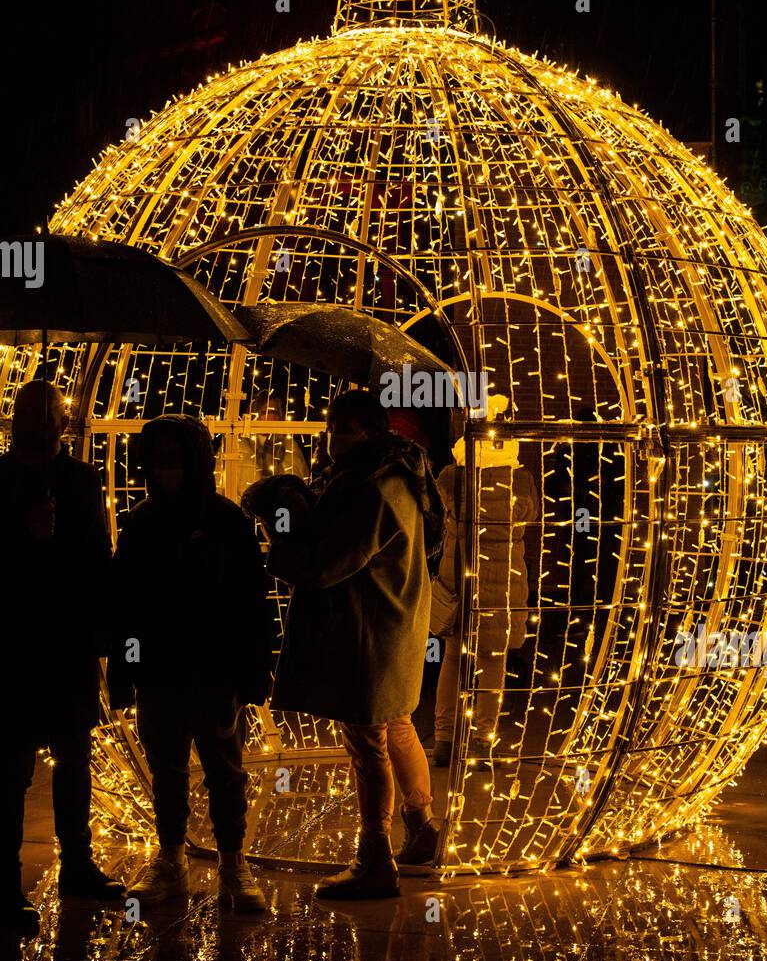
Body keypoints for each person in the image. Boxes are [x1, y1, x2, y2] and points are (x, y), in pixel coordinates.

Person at [261, 388, 444, 899]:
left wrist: (281, 531)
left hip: (369, 635)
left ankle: (375, 858)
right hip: (396, 626)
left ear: (370, 431)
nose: (331, 439)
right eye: (329, 427)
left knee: (368, 744)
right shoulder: (399, 476)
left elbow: (325, 566)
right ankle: (422, 828)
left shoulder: (367, 488)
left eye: (343, 429)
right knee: (397, 725)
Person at [107, 415, 275, 912]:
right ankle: (172, 858)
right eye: (156, 459)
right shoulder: (142, 524)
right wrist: (126, 669)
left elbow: (252, 600)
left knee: (225, 771)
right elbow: (125, 603)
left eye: (173, 457)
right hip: (160, 671)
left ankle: (232, 863)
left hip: (215, 672)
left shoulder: (226, 523)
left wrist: (250, 674)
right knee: (169, 769)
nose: (164, 468)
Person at [0, 381, 123, 933]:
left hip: (67, 641)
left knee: (74, 760)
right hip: (15, 643)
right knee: (11, 767)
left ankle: (78, 865)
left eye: (50, 414)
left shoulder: (79, 479)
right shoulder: (1, 478)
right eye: (36, 413)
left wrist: (103, 634)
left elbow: (97, 554)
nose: (46, 423)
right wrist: (25, 537)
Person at [431, 396, 539, 768]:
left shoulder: (451, 477)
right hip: (503, 583)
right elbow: (530, 517)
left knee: (452, 661)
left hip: (457, 582)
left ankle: (444, 739)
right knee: (492, 663)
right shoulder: (521, 481)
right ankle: (481, 740)